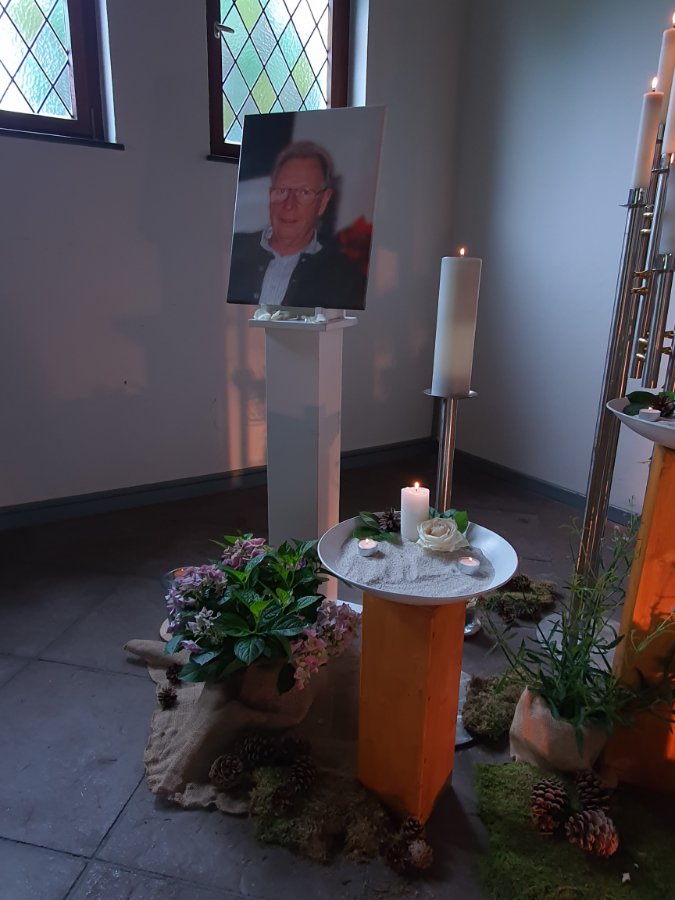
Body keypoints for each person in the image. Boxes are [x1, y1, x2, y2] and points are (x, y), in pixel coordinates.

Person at [227, 141, 367, 310]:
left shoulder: (343, 278)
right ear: (270, 194)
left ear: (323, 202)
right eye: (282, 191)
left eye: (304, 193)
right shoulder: (233, 250)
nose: (289, 205)